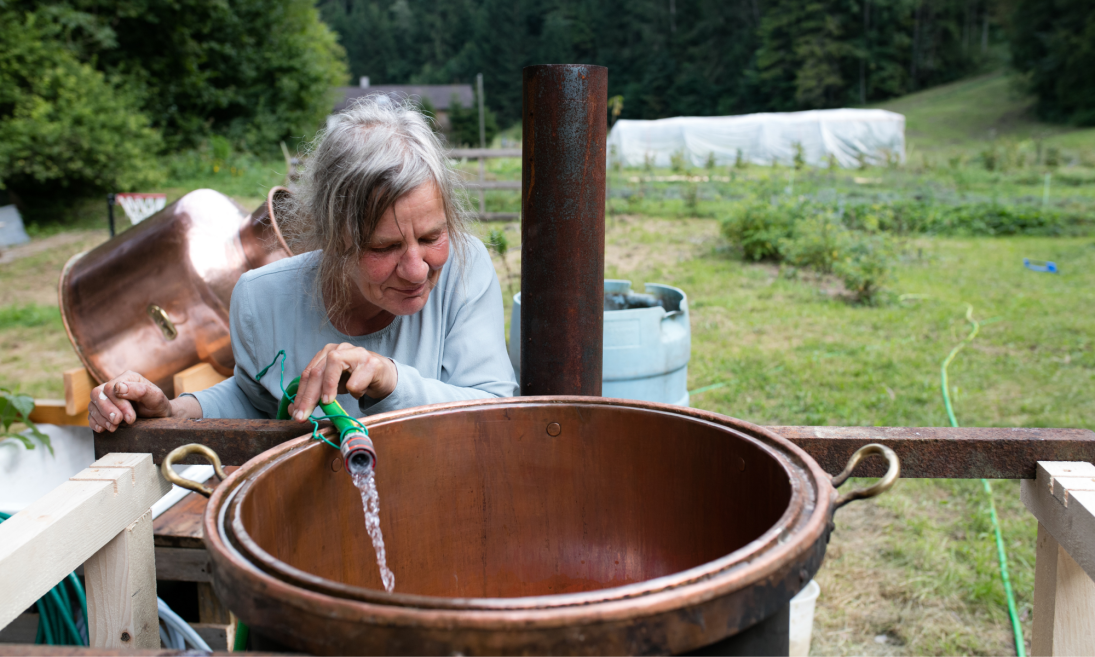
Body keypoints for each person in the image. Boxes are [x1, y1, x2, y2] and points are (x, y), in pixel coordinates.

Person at [88, 99, 518, 432]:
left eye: (430, 237)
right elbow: (255, 399)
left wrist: (389, 379)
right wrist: (173, 412)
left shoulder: (463, 268)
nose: (417, 270)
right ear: (332, 236)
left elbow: (495, 410)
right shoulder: (261, 297)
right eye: (384, 247)